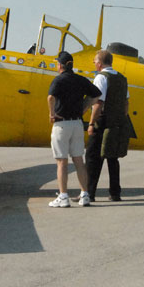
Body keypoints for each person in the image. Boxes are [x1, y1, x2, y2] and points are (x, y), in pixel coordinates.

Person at [47, 51, 101, 208]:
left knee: (61, 161)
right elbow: (96, 95)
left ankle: (63, 196)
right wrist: (84, 108)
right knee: (78, 159)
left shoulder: (58, 80)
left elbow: (51, 98)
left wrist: (52, 114)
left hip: (61, 124)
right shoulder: (80, 80)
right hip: (77, 123)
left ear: (61, 65)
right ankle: (85, 194)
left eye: (57, 63)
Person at [86, 50, 131, 202]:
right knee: (113, 158)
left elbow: (98, 103)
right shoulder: (122, 78)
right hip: (117, 123)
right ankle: (115, 193)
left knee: (93, 158)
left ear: (99, 63)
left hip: (103, 122)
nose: (94, 64)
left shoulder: (101, 78)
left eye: (95, 62)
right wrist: (120, 118)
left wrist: (91, 123)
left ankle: (89, 193)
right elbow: (126, 103)